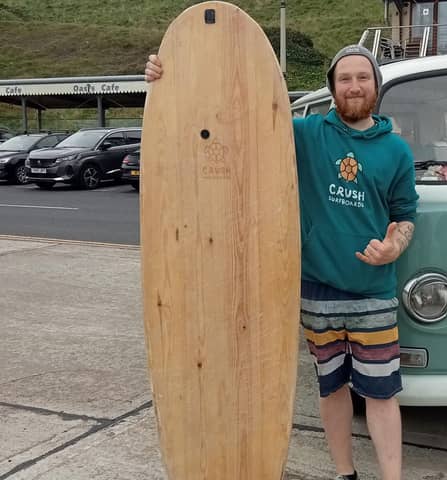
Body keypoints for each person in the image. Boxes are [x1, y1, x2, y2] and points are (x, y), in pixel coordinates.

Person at [145, 44, 418, 480]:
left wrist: (393, 247)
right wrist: (169, 79)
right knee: (332, 388)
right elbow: (234, 115)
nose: (353, 86)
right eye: (344, 78)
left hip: (373, 293)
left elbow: (405, 217)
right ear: (332, 88)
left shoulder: (396, 152)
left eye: (362, 78)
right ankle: (344, 473)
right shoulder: (306, 134)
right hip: (317, 291)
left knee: (383, 393)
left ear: (375, 86)